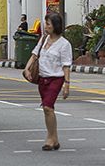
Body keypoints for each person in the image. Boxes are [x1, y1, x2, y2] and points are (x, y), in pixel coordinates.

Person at [23, 12, 71, 152]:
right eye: (46, 23)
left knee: (47, 107)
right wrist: (26, 69)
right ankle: (54, 139)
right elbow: (34, 55)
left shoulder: (64, 44)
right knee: (47, 110)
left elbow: (66, 65)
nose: (46, 26)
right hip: (42, 79)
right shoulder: (43, 39)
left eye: (48, 24)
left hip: (56, 78)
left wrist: (67, 84)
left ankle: (50, 139)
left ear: (55, 26)